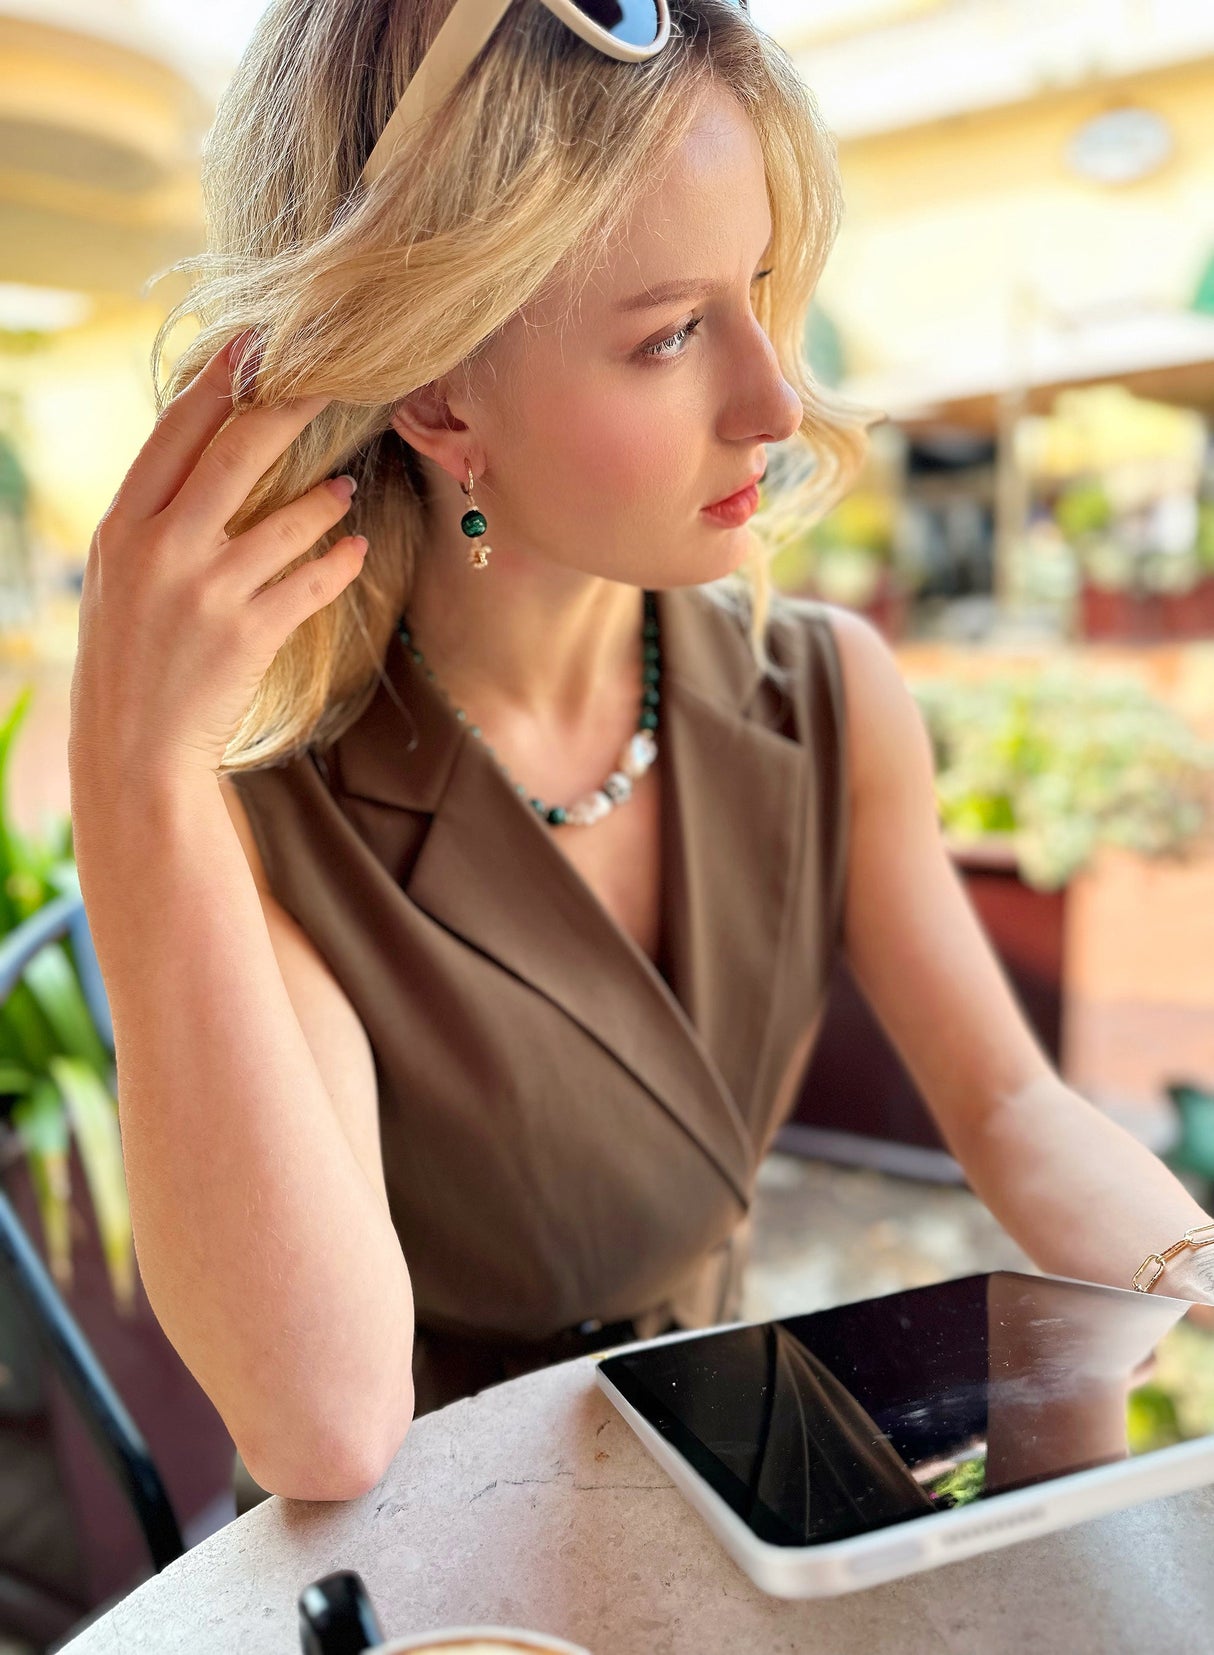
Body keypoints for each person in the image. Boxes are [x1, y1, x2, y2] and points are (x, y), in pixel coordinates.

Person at [68, 0, 1214, 1510]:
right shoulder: (274, 823)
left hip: (739, 1487)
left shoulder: (825, 694)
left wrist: (1187, 1276)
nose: (774, 400)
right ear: (434, 393)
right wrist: (130, 776)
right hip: (446, 1568)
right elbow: (325, 1426)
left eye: (756, 288)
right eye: (670, 334)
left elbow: (1004, 1105)